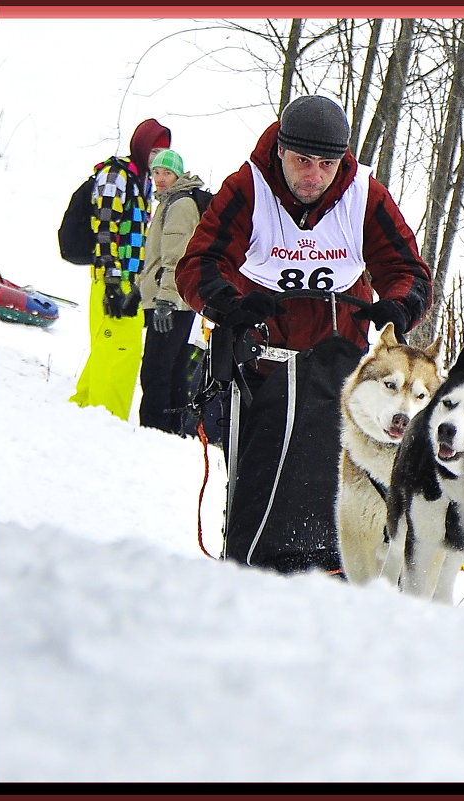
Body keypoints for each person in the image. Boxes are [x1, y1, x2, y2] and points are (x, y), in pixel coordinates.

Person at [175, 95, 432, 574]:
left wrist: (399, 305)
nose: (312, 175)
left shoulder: (363, 194)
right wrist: (229, 303)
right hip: (261, 366)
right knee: (261, 475)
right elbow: (199, 263)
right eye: (301, 161)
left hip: (335, 368)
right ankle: (251, 565)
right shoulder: (248, 186)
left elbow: (407, 269)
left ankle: (333, 568)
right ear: (281, 153)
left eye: (326, 164)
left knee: (330, 478)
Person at [69, 118, 172, 421]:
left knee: (110, 348)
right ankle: (106, 420)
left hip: (129, 280)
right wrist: (113, 283)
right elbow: (104, 228)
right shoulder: (117, 175)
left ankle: (83, 411)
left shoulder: (142, 181)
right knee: (120, 353)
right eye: (153, 150)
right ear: (140, 146)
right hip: (113, 279)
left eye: (162, 153)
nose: (157, 159)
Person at [137, 148, 205, 435]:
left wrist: (164, 298)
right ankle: (172, 429)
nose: (160, 178)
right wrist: (141, 289)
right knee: (173, 367)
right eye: (156, 172)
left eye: (167, 172)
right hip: (174, 299)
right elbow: (156, 256)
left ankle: (154, 429)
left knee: (156, 369)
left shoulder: (180, 205)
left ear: (178, 175)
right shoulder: (170, 202)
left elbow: (175, 257)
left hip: (172, 302)